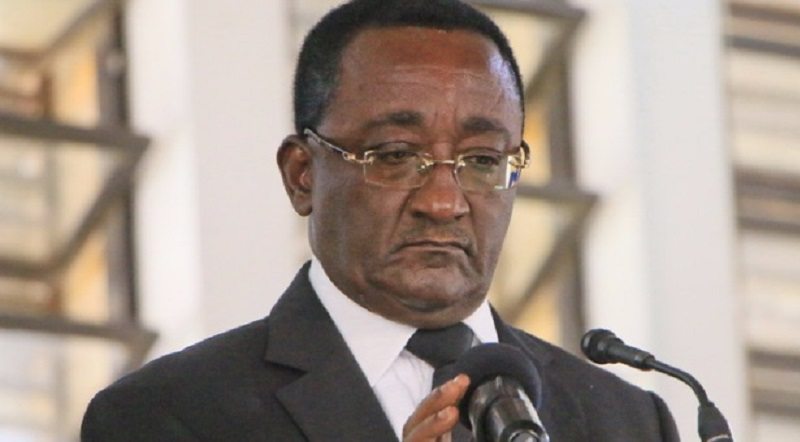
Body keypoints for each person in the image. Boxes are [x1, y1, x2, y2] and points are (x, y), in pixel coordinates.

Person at [82, 0, 680, 440]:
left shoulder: (628, 422)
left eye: (480, 161)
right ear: (302, 175)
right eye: (395, 156)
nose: (443, 202)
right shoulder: (169, 415)